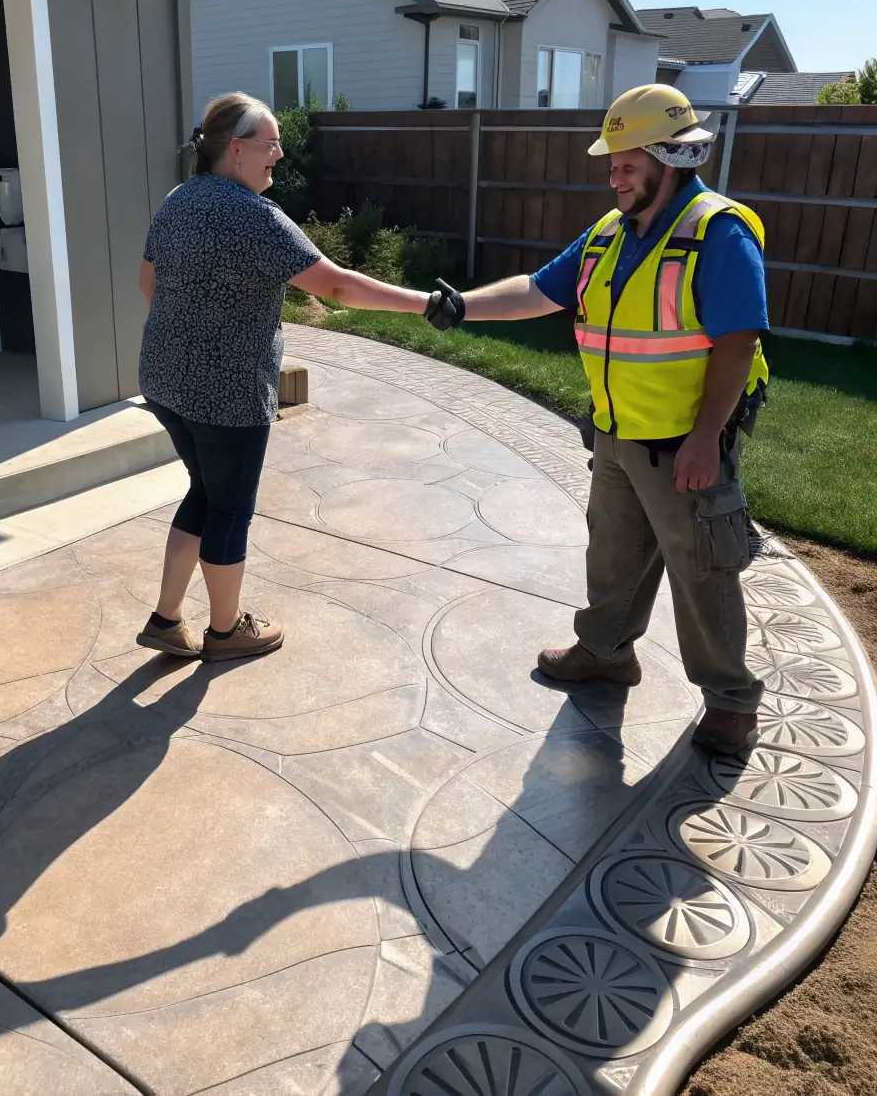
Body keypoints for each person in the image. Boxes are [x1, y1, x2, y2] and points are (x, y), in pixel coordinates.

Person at [424, 84, 769, 755]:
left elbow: (738, 343)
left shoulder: (716, 234)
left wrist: (705, 439)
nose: (614, 176)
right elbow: (537, 291)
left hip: (684, 444)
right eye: (611, 162)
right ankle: (606, 651)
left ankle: (731, 703)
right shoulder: (610, 233)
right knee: (612, 556)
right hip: (617, 435)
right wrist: (463, 305)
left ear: (669, 157)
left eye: (627, 163)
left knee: (701, 572)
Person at [136, 92, 431, 664]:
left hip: (165, 381)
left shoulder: (178, 200)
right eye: (270, 144)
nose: (279, 153)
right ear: (237, 148)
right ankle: (225, 633)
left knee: (203, 491)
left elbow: (147, 282)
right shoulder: (256, 216)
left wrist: (188, 335)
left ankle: (167, 620)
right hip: (228, 396)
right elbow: (338, 287)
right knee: (228, 510)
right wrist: (426, 303)